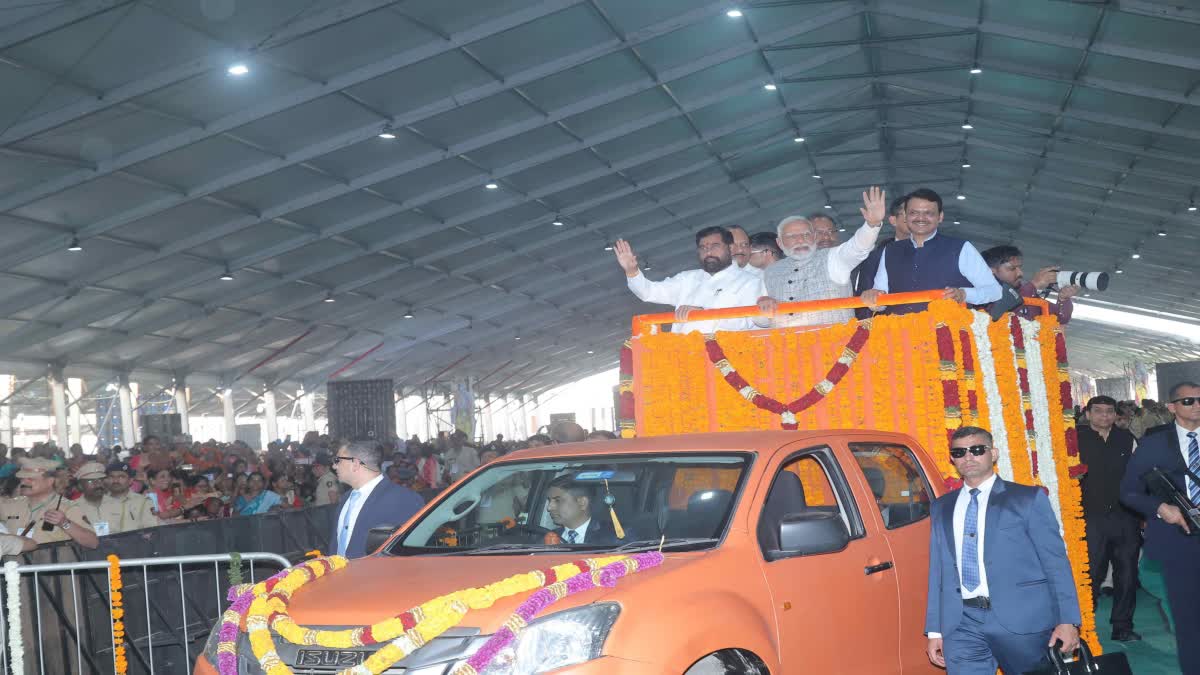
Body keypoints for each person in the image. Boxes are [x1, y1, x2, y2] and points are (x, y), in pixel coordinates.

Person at [925, 426, 1080, 674]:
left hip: (1021, 620)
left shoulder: (1027, 499)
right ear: (952, 458)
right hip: (961, 622)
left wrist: (1068, 620)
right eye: (959, 452)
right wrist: (935, 630)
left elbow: (1056, 563)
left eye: (976, 450)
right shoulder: (942, 507)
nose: (968, 457)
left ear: (993, 453)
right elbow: (938, 571)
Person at [1120, 381, 1200, 675]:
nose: (1197, 405)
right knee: (1189, 619)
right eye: (1189, 401)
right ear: (1172, 407)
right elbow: (1128, 491)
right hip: (1179, 542)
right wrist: (1159, 508)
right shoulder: (1154, 443)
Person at [756, 187, 886, 327]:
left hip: (836, 344)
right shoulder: (770, 271)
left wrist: (872, 225)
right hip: (785, 346)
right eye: (792, 236)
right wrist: (763, 306)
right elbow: (761, 322)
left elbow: (858, 247)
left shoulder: (833, 259)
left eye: (806, 234)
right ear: (779, 243)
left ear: (814, 237)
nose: (801, 240)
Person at [863, 188, 1001, 314]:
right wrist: (872, 297)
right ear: (905, 216)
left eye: (928, 213)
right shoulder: (890, 251)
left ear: (940, 217)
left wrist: (964, 294)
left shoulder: (961, 248)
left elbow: (995, 291)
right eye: (914, 213)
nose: (921, 218)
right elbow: (881, 299)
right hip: (900, 336)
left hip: (949, 335)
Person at [614, 226, 763, 333]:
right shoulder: (688, 279)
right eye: (703, 247)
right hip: (683, 357)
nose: (708, 251)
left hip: (729, 358)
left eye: (715, 246)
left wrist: (703, 314)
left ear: (730, 249)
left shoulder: (750, 282)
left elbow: (748, 321)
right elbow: (648, 292)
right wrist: (631, 271)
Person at [1076, 395, 1140, 641]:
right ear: (1088, 413)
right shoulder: (1074, 439)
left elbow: (1140, 475)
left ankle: (1122, 626)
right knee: (1090, 572)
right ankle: (1083, 628)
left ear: (1116, 415)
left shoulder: (1127, 439)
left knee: (1127, 573)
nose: (1104, 416)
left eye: (1109, 411)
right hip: (1089, 518)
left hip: (1125, 517)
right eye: (1099, 411)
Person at [329, 440, 425, 559]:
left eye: (338, 460)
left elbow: (412, 551)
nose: (334, 466)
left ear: (355, 464)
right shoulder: (346, 498)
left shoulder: (405, 499)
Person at [0, 457, 98, 549]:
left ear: (50, 481)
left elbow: (93, 543)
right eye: (22, 479)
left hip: (50, 564)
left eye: (30, 479)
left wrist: (65, 523)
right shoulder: (11, 505)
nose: (23, 483)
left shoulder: (67, 507)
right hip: (15, 566)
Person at [979, 245, 1078, 323]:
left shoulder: (1030, 294)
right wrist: (1034, 285)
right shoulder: (979, 295)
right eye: (1012, 268)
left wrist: (1063, 299)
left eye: (1019, 268)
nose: (1020, 273)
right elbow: (996, 315)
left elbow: (1061, 318)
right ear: (991, 271)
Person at [852, 194, 909, 319]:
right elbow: (863, 298)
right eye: (909, 214)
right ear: (893, 220)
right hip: (890, 330)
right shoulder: (874, 258)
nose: (917, 218)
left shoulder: (942, 252)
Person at [545, 475, 624, 545]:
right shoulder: (544, 538)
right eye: (549, 500)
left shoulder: (616, 536)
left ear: (582, 503)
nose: (549, 508)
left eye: (557, 500)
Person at [101, 461, 161, 534]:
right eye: (111, 477)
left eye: (121, 477)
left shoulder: (144, 502)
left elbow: (152, 530)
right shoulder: (98, 503)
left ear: (130, 481)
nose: (115, 480)